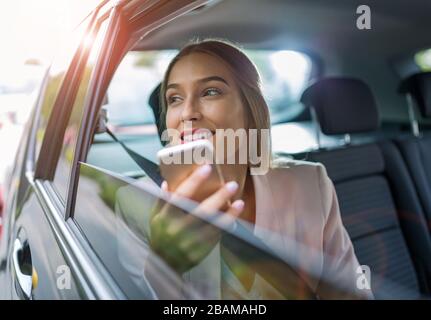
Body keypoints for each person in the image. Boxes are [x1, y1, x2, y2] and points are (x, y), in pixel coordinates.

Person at [116, 39, 373, 299]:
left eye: (210, 92)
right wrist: (164, 264)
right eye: (175, 98)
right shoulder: (133, 204)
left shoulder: (310, 182)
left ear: (251, 110)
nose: (188, 113)